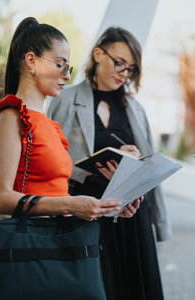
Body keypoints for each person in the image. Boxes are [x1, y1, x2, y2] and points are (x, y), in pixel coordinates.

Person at [0, 17, 142, 294]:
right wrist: (70, 203)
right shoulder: (12, 118)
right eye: (59, 65)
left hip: (59, 245)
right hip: (32, 250)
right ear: (31, 61)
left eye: (67, 67)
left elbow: (57, 192)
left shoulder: (47, 123)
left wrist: (110, 209)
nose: (67, 75)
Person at [48, 27, 170, 300]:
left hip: (132, 215)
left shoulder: (135, 108)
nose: (124, 74)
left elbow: (150, 162)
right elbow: (52, 160)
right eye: (119, 63)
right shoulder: (65, 99)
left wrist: (132, 164)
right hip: (86, 212)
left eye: (131, 69)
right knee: (99, 286)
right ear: (98, 54)